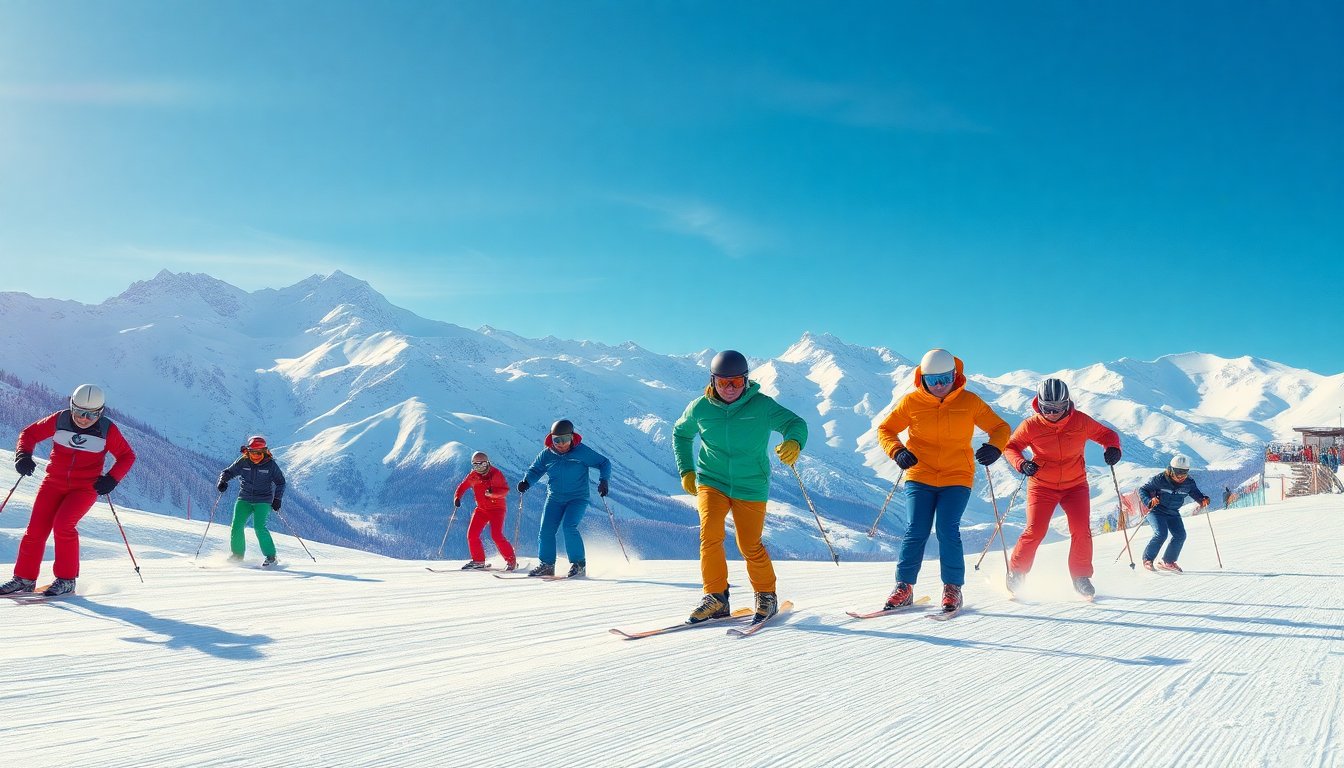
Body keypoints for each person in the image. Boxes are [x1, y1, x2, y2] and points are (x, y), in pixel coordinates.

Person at [673, 349, 808, 626]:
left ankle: (766, 595)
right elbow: (681, 433)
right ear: (712, 381)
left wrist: (794, 442)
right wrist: (687, 470)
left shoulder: (761, 406)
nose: (730, 388)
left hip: (751, 484)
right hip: (712, 481)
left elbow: (795, 423)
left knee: (749, 543)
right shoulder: (699, 408)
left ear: (746, 381)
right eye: (723, 383)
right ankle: (715, 597)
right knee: (710, 535)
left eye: (736, 382)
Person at [876, 349, 1010, 613]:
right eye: (933, 380)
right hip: (920, 473)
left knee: (948, 529)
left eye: (946, 378)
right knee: (916, 528)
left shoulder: (970, 402)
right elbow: (886, 429)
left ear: (956, 375)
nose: (940, 385)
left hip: (957, 475)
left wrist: (995, 447)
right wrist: (897, 450)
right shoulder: (911, 403)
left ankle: (952, 588)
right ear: (923, 379)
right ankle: (903, 587)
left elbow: (1001, 428)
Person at [2, 384, 136, 596]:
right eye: (79, 412)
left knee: (63, 524)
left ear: (100, 412)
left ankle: (66, 580)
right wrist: (23, 455)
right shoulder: (60, 420)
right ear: (71, 406)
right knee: (36, 528)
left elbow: (127, 456)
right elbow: (29, 434)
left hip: (85, 487)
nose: (84, 418)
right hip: (53, 482)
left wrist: (111, 479)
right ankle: (24, 579)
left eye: (91, 415)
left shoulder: (106, 430)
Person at [1002, 378, 1121, 599]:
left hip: (1075, 486)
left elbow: (1107, 435)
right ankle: (1017, 572)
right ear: (1039, 404)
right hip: (1042, 486)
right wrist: (1022, 463)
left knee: (1081, 530)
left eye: (1058, 408)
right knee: (1035, 530)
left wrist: (1113, 448)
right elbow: (1011, 447)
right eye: (1047, 408)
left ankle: (1081, 577)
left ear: (1067, 404)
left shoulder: (1081, 421)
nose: (1053, 413)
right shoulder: (1031, 425)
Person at [518, 419, 611, 578]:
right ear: (551, 438)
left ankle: (578, 564)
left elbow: (604, 462)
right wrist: (527, 481)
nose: (561, 444)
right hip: (554, 498)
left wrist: (604, 480)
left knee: (569, 527)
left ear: (572, 437)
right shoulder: (547, 454)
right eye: (556, 440)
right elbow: (536, 470)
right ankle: (547, 565)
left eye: (565, 439)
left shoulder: (581, 452)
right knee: (546, 530)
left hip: (577, 498)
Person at [217, 435, 286, 567]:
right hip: (244, 498)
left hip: (263, 500)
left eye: (259, 453)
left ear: (264, 452)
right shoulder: (243, 461)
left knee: (259, 527)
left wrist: (277, 499)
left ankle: (271, 557)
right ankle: (237, 556)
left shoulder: (271, 465)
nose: (255, 456)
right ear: (248, 451)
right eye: (253, 453)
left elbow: (281, 482)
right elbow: (228, 472)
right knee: (236, 526)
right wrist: (222, 481)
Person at [1137, 454, 1210, 572]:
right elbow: (1143, 490)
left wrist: (1203, 500)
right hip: (1157, 511)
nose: (1181, 476)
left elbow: (1196, 494)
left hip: (1173, 512)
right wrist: (1149, 501)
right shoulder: (1160, 479)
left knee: (1180, 535)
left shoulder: (1189, 483)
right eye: (1178, 472)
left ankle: (1168, 561)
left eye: (1184, 473)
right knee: (1161, 534)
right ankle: (1148, 559)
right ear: (1171, 470)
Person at [453, 451, 517, 570]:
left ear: (487, 463)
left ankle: (511, 561)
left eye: (481, 465)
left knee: (496, 535)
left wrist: (493, 494)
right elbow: (462, 486)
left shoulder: (496, 474)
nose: (479, 468)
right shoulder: (473, 475)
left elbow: (505, 491)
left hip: (497, 509)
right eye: (476, 465)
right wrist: (457, 497)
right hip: (481, 509)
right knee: (472, 534)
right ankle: (478, 561)